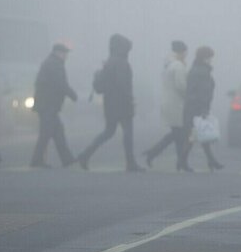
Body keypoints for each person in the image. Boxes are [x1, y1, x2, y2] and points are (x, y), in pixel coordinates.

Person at [78, 34, 145, 173]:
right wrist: (130, 99)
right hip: (122, 104)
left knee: (108, 132)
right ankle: (130, 163)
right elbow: (122, 84)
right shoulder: (121, 62)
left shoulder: (109, 61)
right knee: (127, 134)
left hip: (110, 103)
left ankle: (85, 155)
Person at [30, 42, 78, 168]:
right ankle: (37, 161)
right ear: (58, 53)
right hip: (48, 105)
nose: (66, 56)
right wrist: (72, 95)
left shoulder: (51, 62)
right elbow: (60, 83)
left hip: (47, 104)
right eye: (65, 53)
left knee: (57, 132)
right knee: (46, 133)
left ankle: (67, 159)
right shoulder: (54, 64)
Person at [143, 40, 189, 171]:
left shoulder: (168, 65)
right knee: (179, 134)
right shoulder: (178, 66)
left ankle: (177, 161)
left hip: (169, 103)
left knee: (177, 134)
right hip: (176, 104)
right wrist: (189, 97)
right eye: (185, 53)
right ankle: (178, 161)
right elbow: (181, 86)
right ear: (180, 52)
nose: (186, 55)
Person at [179, 46, 223, 172]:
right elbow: (203, 92)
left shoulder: (196, 69)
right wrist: (204, 109)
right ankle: (184, 161)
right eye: (210, 57)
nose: (211, 60)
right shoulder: (202, 71)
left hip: (191, 106)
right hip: (197, 108)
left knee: (200, 134)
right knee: (198, 134)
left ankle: (209, 161)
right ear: (205, 58)